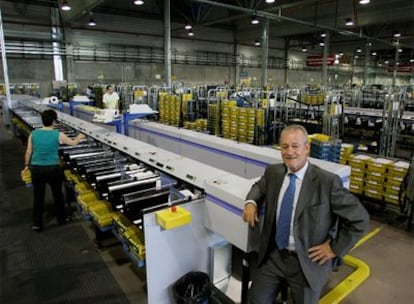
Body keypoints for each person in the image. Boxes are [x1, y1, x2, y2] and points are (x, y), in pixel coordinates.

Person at [242, 124, 369, 304]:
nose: (290, 152)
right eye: (285, 147)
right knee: (255, 299)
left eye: (295, 146)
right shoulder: (274, 173)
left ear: (307, 148)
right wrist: (251, 203)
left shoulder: (326, 182)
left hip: (307, 262)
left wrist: (334, 248)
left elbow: (360, 219)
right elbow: (258, 187)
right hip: (275, 256)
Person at [23, 109, 86, 231]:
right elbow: (73, 143)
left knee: (38, 196)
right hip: (53, 168)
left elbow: (29, 151)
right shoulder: (57, 134)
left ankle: (37, 223)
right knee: (57, 194)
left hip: (36, 168)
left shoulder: (34, 133)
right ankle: (62, 219)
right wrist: (80, 136)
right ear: (53, 121)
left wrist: (26, 165)